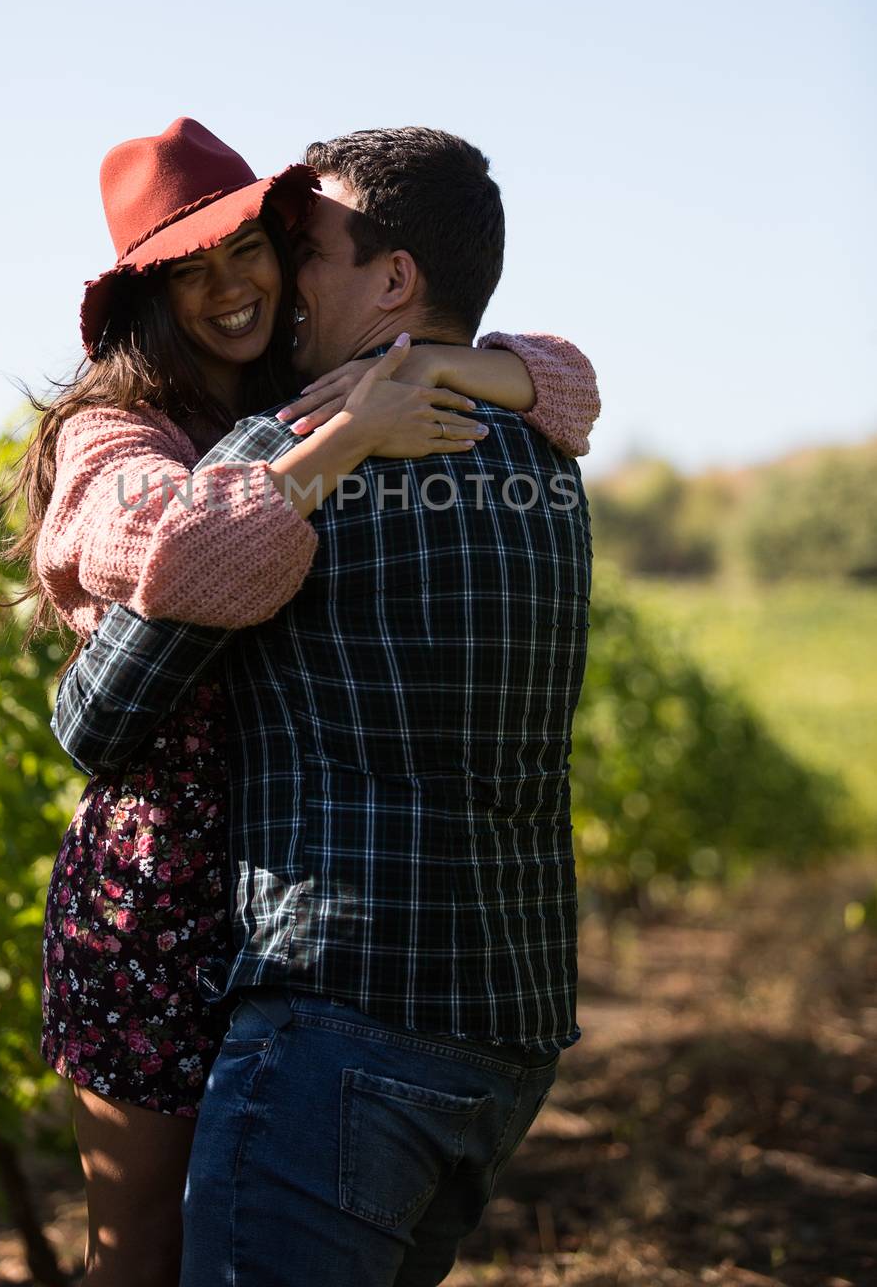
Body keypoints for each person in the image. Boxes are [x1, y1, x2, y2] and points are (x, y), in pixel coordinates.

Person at [48, 125, 597, 1287]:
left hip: (302, 942)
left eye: (267, 248)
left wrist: (440, 369)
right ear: (142, 302)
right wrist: (342, 435)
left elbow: (565, 374)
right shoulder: (132, 437)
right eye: (188, 271)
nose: (252, 284)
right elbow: (160, 562)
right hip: (165, 894)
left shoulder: (320, 403)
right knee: (137, 1254)